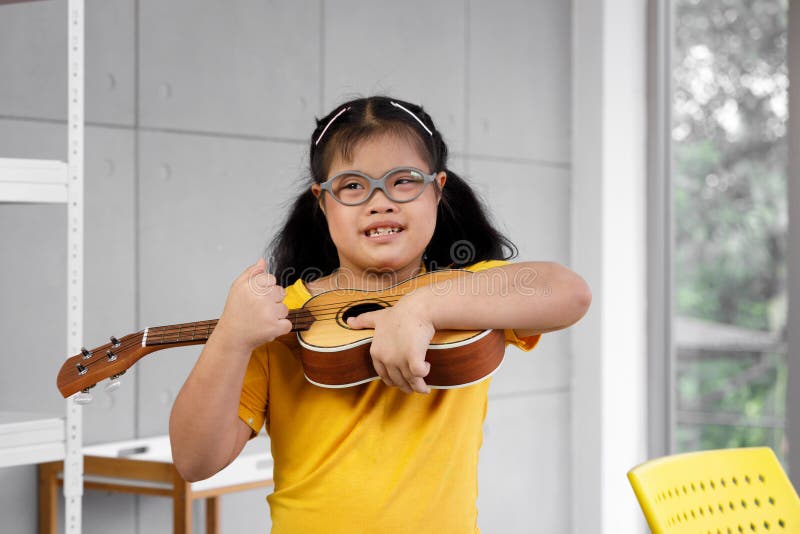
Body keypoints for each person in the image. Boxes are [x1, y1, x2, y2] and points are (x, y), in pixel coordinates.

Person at [169, 96, 591, 533]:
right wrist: (231, 338)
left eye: (404, 181)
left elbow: (570, 292)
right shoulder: (281, 316)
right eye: (352, 185)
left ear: (438, 190)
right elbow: (194, 460)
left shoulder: (467, 294)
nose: (380, 202)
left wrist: (422, 307)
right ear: (322, 202)